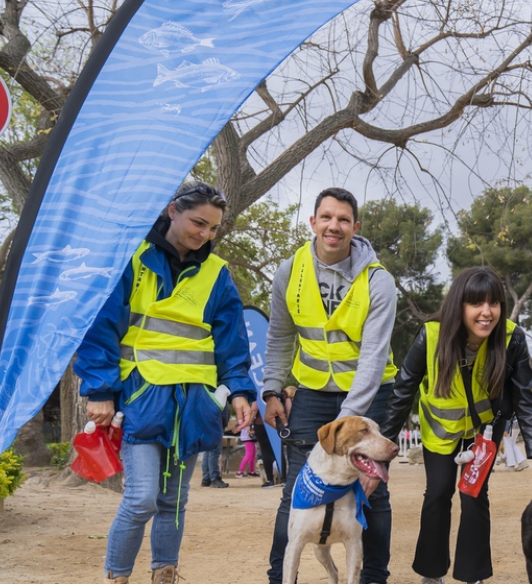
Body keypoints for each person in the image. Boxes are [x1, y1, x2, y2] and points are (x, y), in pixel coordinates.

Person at [75, 181, 254, 584]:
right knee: (140, 500)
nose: (204, 234)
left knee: (174, 501)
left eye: (212, 228)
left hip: (194, 402)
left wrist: (239, 391)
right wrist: (101, 390)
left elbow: (232, 343)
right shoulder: (132, 258)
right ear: (172, 210)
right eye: (198, 222)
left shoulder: (218, 273)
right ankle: (117, 577)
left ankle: (165, 574)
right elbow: (100, 326)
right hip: (141, 396)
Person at [380, 266, 532, 584]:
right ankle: (432, 573)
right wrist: (381, 454)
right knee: (438, 494)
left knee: (474, 496)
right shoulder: (432, 335)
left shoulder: (512, 338)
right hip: (440, 434)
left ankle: (472, 575)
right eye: (477, 303)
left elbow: (526, 402)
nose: (487, 313)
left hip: (483, 433)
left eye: (494, 303)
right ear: (459, 305)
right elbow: (402, 392)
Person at [261, 187, 398, 584]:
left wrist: (346, 424)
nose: (333, 226)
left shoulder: (379, 280)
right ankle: (279, 577)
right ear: (313, 222)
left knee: (372, 487)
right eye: (326, 217)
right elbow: (280, 337)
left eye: (342, 220)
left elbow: (373, 357)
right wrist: (272, 390)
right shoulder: (290, 270)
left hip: (371, 393)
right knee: (297, 489)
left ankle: (373, 578)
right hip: (312, 393)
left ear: (355, 228)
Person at [200, 403, 231, 488]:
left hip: (207, 425)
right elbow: (224, 415)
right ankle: (215, 478)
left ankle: (206, 478)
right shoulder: (220, 395)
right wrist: (223, 425)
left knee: (207, 452)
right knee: (214, 452)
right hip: (215, 425)